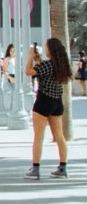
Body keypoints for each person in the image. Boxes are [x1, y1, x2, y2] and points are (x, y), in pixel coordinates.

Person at [24, 38, 73, 180]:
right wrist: (38, 58)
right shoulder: (61, 65)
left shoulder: (47, 65)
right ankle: (63, 167)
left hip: (43, 101)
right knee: (59, 136)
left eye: (46, 47)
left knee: (38, 136)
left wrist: (30, 57)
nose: (45, 49)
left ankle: (35, 169)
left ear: (50, 50)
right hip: (57, 102)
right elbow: (45, 69)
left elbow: (28, 72)